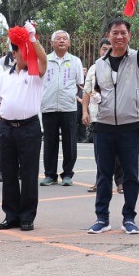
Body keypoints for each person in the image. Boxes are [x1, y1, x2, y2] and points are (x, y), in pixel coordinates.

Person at [87, 15, 139, 234]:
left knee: (130, 175)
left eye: (123, 33)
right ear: (108, 36)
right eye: (115, 33)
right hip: (104, 126)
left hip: (130, 125)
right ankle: (102, 218)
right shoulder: (99, 64)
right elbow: (95, 90)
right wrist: (96, 98)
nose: (119, 36)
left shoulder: (138, 59)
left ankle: (129, 218)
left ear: (129, 36)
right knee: (103, 174)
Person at [0, 28, 49, 231]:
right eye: (24, 50)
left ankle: (27, 216)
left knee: (29, 173)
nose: (28, 54)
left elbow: (43, 59)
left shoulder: (35, 74)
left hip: (29, 127)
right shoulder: (4, 76)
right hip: (6, 127)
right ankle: (11, 215)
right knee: (8, 172)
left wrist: (32, 39)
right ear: (14, 53)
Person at [40, 30, 86, 187]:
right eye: (58, 39)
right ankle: (50, 175)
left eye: (64, 39)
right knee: (49, 143)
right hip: (48, 107)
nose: (61, 41)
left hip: (69, 107)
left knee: (69, 142)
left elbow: (80, 84)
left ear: (69, 43)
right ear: (52, 43)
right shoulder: (45, 60)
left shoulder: (75, 61)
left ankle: (67, 174)